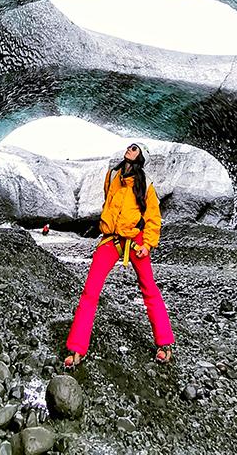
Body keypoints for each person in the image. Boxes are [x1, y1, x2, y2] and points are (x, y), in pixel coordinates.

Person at [64, 142, 175, 369]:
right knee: (90, 290)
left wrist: (149, 244)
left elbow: (153, 218)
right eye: (129, 147)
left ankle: (164, 343)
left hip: (136, 242)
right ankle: (76, 347)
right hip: (111, 239)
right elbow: (109, 202)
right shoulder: (113, 175)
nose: (129, 149)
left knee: (149, 288)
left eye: (135, 149)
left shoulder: (147, 185)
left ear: (141, 156)